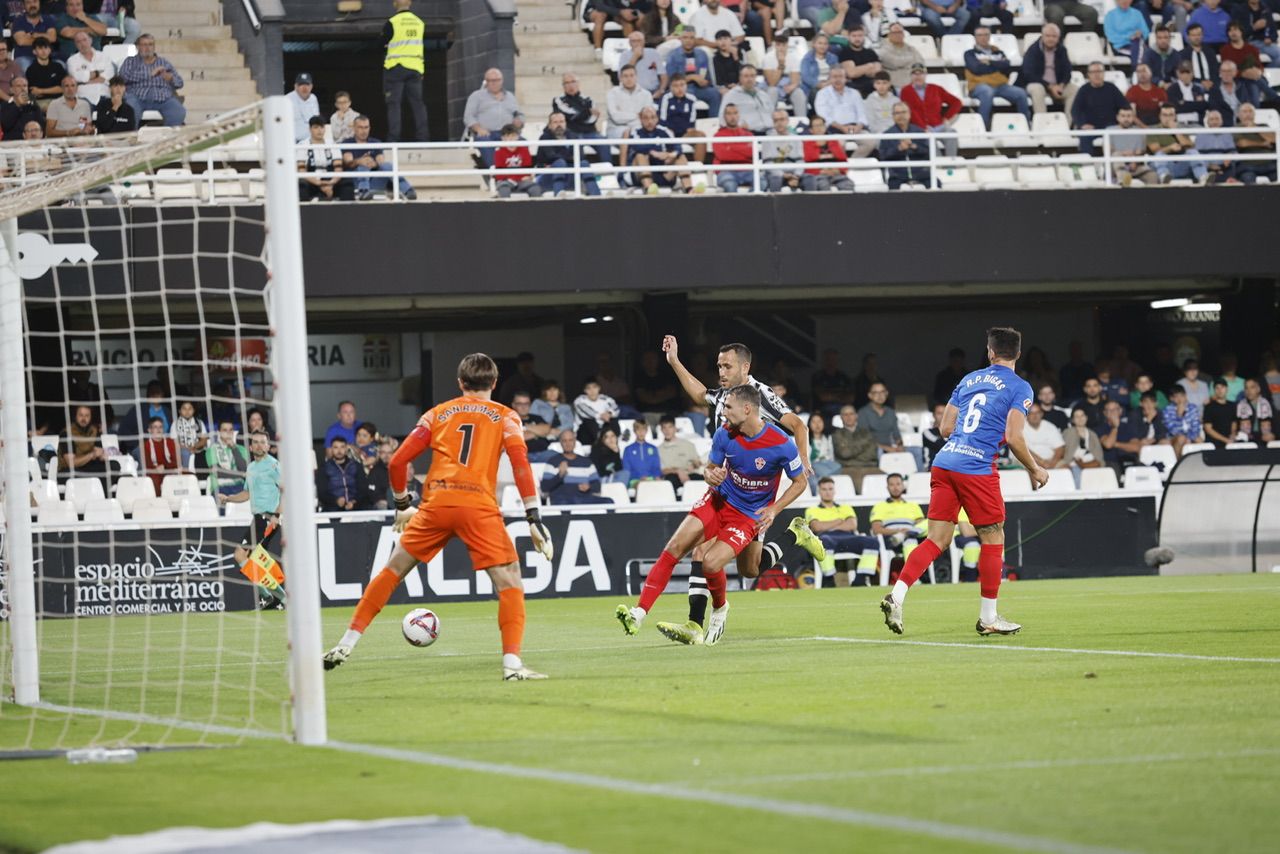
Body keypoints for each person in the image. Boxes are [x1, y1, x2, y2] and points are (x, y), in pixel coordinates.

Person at [323, 353, 553, 680]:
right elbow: (519, 464)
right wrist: (533, 516)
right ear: (495, 383)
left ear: (460, 383)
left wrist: (403, 504)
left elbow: (400, 461)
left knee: (393, 569)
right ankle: (512, 665)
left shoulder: (437, 414)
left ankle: (347, 641)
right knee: (510, 579)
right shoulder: (507, 417)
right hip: (477, 504)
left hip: (437, 502)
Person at [880, 327, 1047, 637]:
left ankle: (898, 595)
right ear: (1018, 354)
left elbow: (945, 428)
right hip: (976, 466)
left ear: (990, 352)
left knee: (936, 540)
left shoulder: (969, 379)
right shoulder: (1020, 387)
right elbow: (1013, 436)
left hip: (944, 462)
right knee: (993, 537)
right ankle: (988, 618)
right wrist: (1035, 469)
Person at [616, 384, 809, 645]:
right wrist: (711, 475)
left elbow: (800, 482)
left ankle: (720, 608)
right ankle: (639, 613)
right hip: (718, 501)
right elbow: (709, 470)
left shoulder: (781, 444)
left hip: (748, 516)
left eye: (728, 407)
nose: (723, 411)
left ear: (747, 408)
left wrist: (775, 509)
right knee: (674, 548)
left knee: (714, 564)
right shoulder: (723, 434)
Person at [659, 336, 821, 643]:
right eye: (719, 365)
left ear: (745, 367)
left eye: (727, 366)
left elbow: (797, 424)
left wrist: (803, 458)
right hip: (725, 490)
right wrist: (675, 362)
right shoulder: (725, 395)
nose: (720, 371)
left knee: (750, 569)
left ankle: (795, 535)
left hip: (753, 496)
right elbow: (698, 394)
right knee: (701, 548)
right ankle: (694, 624)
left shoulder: (761, 396)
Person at [224, 430, 287, 609]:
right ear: (250, 447)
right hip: (258, 518)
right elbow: (247, 494)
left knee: (240, 554)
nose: (259, 445)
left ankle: (275, 597)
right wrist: (228, 498)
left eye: (263, 442)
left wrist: (276, 516)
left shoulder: (274, 465)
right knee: (254, 559)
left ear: (268, 446)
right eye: (256, 442)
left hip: (267, 518)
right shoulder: (251, 467)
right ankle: (275, 598)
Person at [806, 476, 880, 584]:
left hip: (848, 537)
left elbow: (852, 525)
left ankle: (860, 579)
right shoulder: (811, 510)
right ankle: (829, 579)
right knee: (823, 541)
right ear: (819, 491)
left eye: (830, 489)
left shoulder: (846, 507)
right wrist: (838, 520)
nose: (828, 492)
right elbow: (817, 527)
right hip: (827, 538)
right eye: (824, 489)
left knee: (873, 542)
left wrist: (827, 525)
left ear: (834, 491)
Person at [964, 26, 1030, 130]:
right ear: (975, 38)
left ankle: (1026, 127)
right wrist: (996, 66)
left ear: (989, 36)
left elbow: (1007, 65)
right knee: (987, 92)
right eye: (980, 35)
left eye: (986, 35)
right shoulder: (969, 54)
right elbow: (976, 68)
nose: (983, 38)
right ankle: (982, 129)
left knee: (1021, 93)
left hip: (1000, 85)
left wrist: (989, 62)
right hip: (979, 85)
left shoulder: (998, 52)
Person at [382, 0, 428, 142]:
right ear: (410, 3)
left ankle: (393, 139)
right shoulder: (419, 23)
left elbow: (381, 43)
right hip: (415, 68)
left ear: (395, 3)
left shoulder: (392, 22)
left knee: (394, 104)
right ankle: (423, 138)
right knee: (418, 104)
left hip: (395, 67)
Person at [341, 115, 417, 200]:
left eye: (366, 127)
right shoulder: (347, 142)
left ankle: (408, 190)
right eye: (360, 127)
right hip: (355, 182)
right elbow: (348, 163)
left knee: (387, 165)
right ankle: (363, 191)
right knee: (363, 166)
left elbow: (381, 161)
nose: (364, 131)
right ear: (354, 128)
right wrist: (360, 161)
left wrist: (374, 163)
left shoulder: (375, 142)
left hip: (375, 181)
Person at [118, 33, 184, 126]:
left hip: (162, 98)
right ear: (137, 47)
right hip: (137, 97)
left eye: (150, 44)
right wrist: (149, 74)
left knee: (179, 111)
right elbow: (123, 77)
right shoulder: (130, 61)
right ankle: (132, 137)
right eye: (144, 45)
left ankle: (168, 138)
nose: (148, 48)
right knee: (130, 109)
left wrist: (171, 78)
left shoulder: (164, 62)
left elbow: (180, 83)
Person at [899, 63, 963, 156]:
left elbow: (957, 102)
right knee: (929, 142)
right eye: (914, 74)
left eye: (920, 73)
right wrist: (923, 128)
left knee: (952, 134)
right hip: (920, 129)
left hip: (938, 126)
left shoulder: (936, 89)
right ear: (911, 76)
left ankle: (950, 165)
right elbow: (910, 112)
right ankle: (939, 166)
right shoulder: (905, 91)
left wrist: (946, 117)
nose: (918, 76)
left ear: (925, 75)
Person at [464, 69, 522, 166]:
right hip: (486, 133)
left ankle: (520, 174)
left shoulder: (510, 96)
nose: (493, 83)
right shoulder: (476, 96)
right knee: (485, 143)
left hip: (507, 133)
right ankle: (495, 173)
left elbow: (519, 114)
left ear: (502, 80)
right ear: (486, 82)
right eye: (490, 80)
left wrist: (519, 121)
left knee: (523, 142)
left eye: (496, 80)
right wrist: (478, 129)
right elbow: (468, 116)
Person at [541, 429, 613, 504]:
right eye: (564, 441)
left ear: (575, 442)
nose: (568, 444)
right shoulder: (553, 462)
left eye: (570, 440)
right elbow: (544, 488)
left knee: (609, 502)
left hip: (584, 499)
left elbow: (597, 486)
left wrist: (589, 487)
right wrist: (560, 475)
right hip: (562, 501)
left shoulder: (587, 463)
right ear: (560, 443)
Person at [870, 472, 927, 565]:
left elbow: (922, 525)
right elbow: (876, 530)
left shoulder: (913, 506)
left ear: (903, 486)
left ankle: (907, 533)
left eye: (898, 484)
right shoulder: (879, 506)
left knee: (930, 522)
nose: (895, 487)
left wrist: (906, 532)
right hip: (893, 539)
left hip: (913, 536)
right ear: (887, 487)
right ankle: (913, 577)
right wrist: (897, 532)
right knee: (910, 541)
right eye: (891, 485)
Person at [1071, 62, 1128, 152]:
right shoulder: (1083, 90)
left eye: (1099, 71)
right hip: (1091, 127)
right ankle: (1088, 163)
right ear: (1088, 75)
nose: (1097, 75)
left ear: (1104, 73)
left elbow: (1124, 106)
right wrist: (1082, 124)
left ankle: (1116, 164)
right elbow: (1075, 110)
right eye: (1093, 72)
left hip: (1111, 126)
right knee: (1085, 137)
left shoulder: (1112, 88)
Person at [878, 103, 932, 189]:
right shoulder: (887, 135)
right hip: (898, 175)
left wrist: (914, 147)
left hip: (920, 173)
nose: (901, 116)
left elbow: (929, 153)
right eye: (897, 113)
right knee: (892, 188)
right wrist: (899, 149)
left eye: (903, 112)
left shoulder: (919, 132)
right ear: (893, 116)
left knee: (936, 184)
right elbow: (882, 156)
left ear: (909, 114)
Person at [298, 115, 352, 201]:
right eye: (316, 127)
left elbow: (338, 168)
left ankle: (348, 212)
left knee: (347, 184)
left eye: (322, 127)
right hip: (312, 180)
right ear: (310, 129)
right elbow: (301, 170)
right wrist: (319, 183)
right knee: (301, 186)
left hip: (330, 179)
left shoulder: (332, 144)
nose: (319, 130)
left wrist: (331, 183)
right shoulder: (302, 145)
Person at [492, 123, 544, 198]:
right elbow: (500, 175)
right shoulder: (499, 152)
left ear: (518, 137)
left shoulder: (524, 150)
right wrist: (515, 178)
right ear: (503, 138)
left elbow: (527, 171)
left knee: (535, 188)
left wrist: (518, 178)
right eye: (507, 136)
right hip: (506, 182)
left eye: (513, 136)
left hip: (522, 182)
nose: (510, 139)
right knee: (503, 189)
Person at [205, 420, 250, 501]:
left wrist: (233, 447)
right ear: (219, 432)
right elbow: (218, 472)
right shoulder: (212, 449)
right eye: (225, 430)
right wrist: (241, 475)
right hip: (220, 488)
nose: (228, 433)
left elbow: (244, 469)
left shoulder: (241, 449)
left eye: (230, 430)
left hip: (241, 487)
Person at [10, 0, 57, 73]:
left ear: (39, 3)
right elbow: (21, 41)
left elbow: (52, 38)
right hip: (25, 56)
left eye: (35, 2)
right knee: (24, 65)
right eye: (28, 2)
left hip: (48, 57)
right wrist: (44, 38)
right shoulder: (18, 21)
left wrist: (34, 35)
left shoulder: (48, 19)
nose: (32, 5)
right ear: (24, 5)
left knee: (61, 65)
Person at [66, 30, 111, 104]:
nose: (83, 44)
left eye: (84, 40)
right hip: (84, 97)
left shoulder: (104, 57)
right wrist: (97, 74)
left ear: (90, 40)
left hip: (104, 94)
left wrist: (85, 81)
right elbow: (75, 77)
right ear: (75, 44)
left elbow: (108, 76)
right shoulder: (72, 60)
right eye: (78, 42)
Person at [1103, 0, 1149, 68]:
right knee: (1139, 49)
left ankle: (1136, 71)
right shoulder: (1110, 15)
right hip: (1119, 46)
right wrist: (1129, 37)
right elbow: (1110, 36)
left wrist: (1140, 33)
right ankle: (1136, 70)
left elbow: (1146, 32)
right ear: (1117, 1)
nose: (1124, 1)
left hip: (1137, 43)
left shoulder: (1137, 14)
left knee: (1137, 44)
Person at [140, 416, 180, 492]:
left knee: (190, 475)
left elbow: (176, 461)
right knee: (154, 479)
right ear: (149, 430)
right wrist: (156, 469)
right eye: (155, 427)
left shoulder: (170, 442)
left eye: (161, 427)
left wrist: (165, 466)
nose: (158, 430)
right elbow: (147, 465)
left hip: (170, 470)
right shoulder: (145, 445)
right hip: (155, 472)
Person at [1062, 406, 1104, 475]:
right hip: (1072, 464)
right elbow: (1064, 452)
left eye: (1082, 416)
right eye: (1077, 416)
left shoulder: (1092, 434)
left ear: (1086, 417)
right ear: (1073, 420)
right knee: (1075, 470)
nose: (1080, 419)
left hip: (1090, 463)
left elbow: (1099, 456)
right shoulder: (1067, 432)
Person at [1021, 404, 1065, 470]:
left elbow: (1060, 448)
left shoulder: (1050, 427)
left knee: (1065, 467)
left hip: (1050, 460)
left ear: (1041, 414)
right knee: (1033, 469)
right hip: (1028, 460)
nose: (1035, 416)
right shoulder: (1020, 427)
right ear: (1026, 415)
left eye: (1037, 413)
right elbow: (1023, 449)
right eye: (1031, 413)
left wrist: (1053, 463)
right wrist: (1042, 462)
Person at [623, 418, 664, 486]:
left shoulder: (653, 448)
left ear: (646, 430)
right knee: (641, 485)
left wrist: (653, 477)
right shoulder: (628, 449)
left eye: (643, 429)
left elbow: (656, 467)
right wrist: (639, 478)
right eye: (638, 429)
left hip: (651, 478)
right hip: (635, 480)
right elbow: (627, 469)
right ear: (634, 431)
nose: (641, 432)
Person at [1161, 386, 1201, 457]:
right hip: (1173, 438)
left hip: (1190, 436)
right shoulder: (1167, 410)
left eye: (1182, 396)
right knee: (1181, 438)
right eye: (1176, 397)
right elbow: (1172, 431)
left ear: (1186, 396)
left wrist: (1189, 437)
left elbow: (1196, 427)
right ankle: (1177, 463)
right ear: (1171, 398)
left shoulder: (1192, 408)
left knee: (1199, 440)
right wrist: (1179, 416)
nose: (1180, 399)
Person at [1235, 378, 1275, 443]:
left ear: (1258, 389)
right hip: (1247, 440)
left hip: (1266, 440)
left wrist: (1274, 435)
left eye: (1252, 387)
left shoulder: (1267, 404)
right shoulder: (1240, 405)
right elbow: (1236, 426)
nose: (1249, 390)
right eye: (1246, 388)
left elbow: (1276, 423)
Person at [288, 72, 319, 142]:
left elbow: (317, 121)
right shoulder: (287, 100)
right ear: (295, 86)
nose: (304, 87)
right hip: (293, 142)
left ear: (311, 86)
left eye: (307, 84)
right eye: (301, 84)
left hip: (310, 142)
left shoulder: (313, 98)